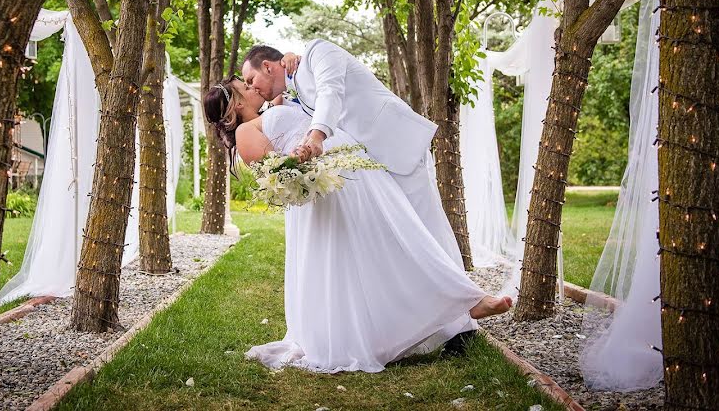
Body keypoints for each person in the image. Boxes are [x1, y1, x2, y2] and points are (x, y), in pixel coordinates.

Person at [203, 77, 511, 374]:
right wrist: (305, 159)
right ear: (233, 107)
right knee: (370, 256)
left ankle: (453, 308)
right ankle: (462, 304)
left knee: (391, 246)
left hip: (349, 178)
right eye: (243, 87)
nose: (251, 85)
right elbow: (279, 176)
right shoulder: (245, 132)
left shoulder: (273, 108)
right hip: (329, 191)